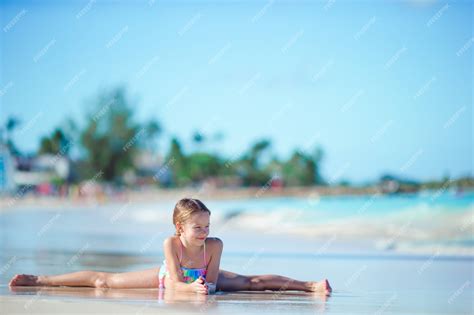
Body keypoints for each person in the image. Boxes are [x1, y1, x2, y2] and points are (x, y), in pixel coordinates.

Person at [9, 198, 332, 295]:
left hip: (202, 281)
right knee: (104, 280)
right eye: (197, 227)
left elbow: (216, 281)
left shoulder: (215, 245)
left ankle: (309, 285)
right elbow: (175, 284)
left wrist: (205, 286)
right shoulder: (171, 243)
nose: (204, 232)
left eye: (207, 226)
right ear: (180, 228)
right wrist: (193, 289)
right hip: (170, 277)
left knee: (252, 282)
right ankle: (42, 280)